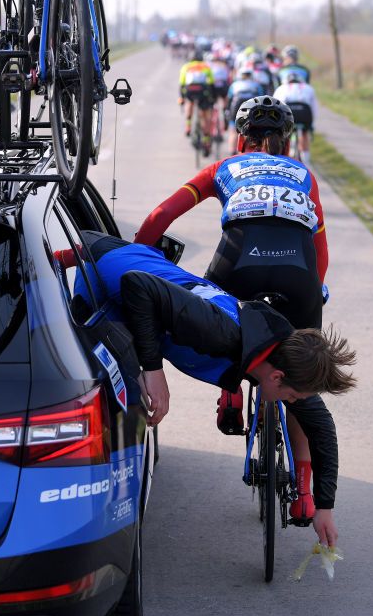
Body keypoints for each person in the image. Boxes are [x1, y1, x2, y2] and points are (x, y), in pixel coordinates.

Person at [67, 230, 355, 548]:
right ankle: (94, 526)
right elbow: (138, 285)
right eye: (293, 397)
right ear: (277, 378)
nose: (293, 403)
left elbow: (321, 428)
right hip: (102, 275)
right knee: (127, 398)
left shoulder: (273, 346)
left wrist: (324, 506)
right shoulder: (221, 333)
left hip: (133, 266)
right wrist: (153, 371)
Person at [134, 96, 328, 524]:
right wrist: (315, 290)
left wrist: (140, 253)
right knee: (300, 380)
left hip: (236, 266)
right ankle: (303, 491)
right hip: (299, 277)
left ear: (240, 139)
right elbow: (320, 253)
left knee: (220, 318)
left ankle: (230, 396)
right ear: (286, 143)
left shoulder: (223, 168)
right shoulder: (303, 175)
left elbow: (160, 214)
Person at [274, 69, 317, 164]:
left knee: (285, 136)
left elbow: (275, 106)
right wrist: (312, 125)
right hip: (305, 115)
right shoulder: (308, 88)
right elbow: (314, 108)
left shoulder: (281, 88)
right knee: (304, 134)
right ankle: (306, 162)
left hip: (288, 115)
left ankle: (285, 158)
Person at [179, 51, 217, 155]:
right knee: (204, 116)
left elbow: (182, 84)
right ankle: (205, 140)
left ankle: (188, 126)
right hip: (202, 91)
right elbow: (211, 83)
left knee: (189, 103)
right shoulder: (206, 66)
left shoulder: (186, 67)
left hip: (190, 89)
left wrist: (181, 98)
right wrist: (213, 98)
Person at [225, 67, 265, 152]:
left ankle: (232, 153)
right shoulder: (256, 85)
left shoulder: (234, 84)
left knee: (233, 131)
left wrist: (227, 111)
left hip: (236, 106)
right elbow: (262, 99)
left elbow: (229, 100)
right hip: (252, 107)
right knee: (253, 130)